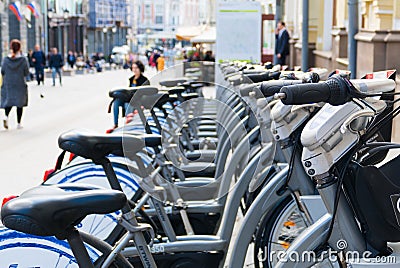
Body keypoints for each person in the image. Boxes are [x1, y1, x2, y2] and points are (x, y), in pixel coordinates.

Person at [1, 39, 29, 129]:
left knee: (8, 101)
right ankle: (18, 123)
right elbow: (26, 72)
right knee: (19, 103)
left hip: (8, 83)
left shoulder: (6, 59)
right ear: (20, 48)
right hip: (20, 83)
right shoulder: (23, 59)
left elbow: (3, 71)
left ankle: (6, 116)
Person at [112, 61, 149, 129]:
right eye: (133, 68)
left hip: (138, 100)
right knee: (116, 102)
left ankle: (128, 124)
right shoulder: (131, 79)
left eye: (136, 68)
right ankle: (115, 124)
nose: (134, 70)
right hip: (130, 98)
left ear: (140, 68)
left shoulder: (144, 80)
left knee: (127, 104)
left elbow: (146, 94)